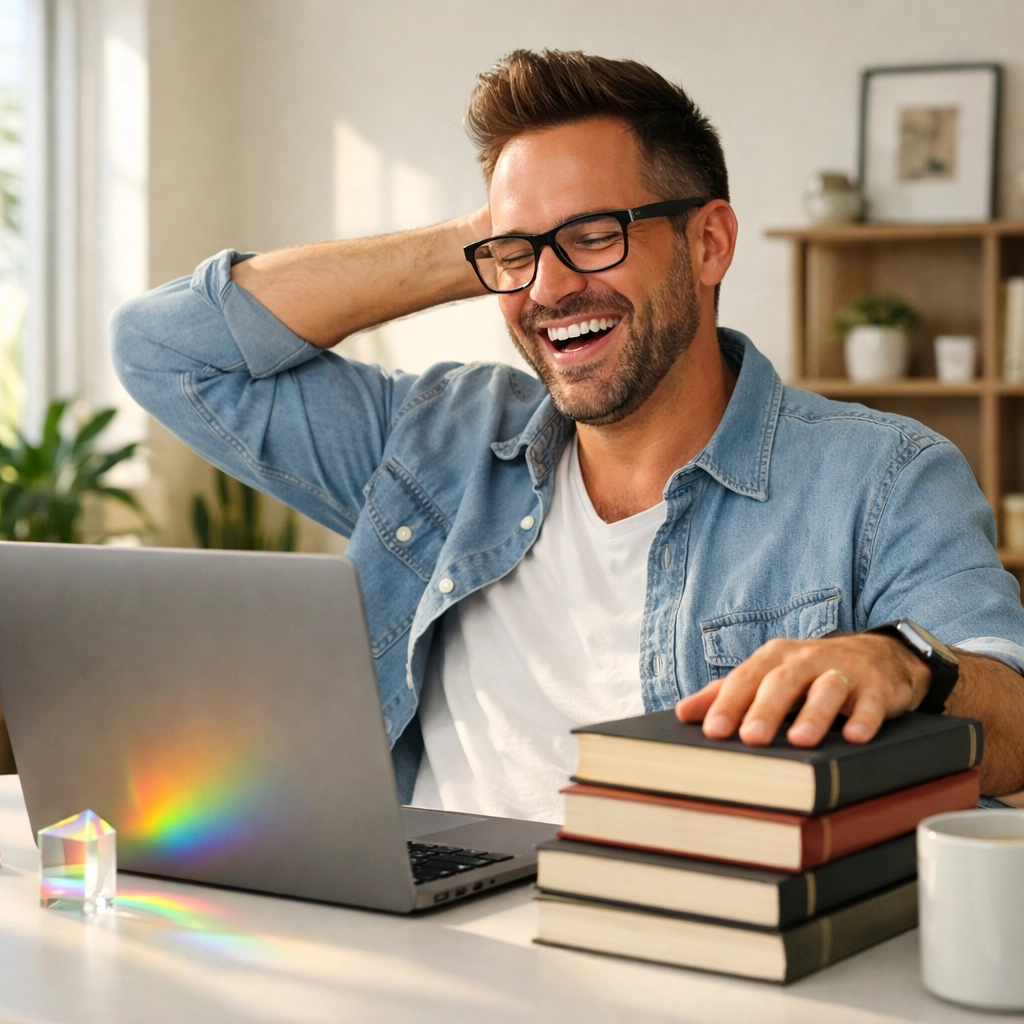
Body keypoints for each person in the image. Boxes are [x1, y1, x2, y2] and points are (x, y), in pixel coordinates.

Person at [112, 49, 1024, 823]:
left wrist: (906, 663)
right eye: (517, 255)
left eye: (594, 235)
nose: (547, 290)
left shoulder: (882, 476)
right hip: (416, 958)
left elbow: (1015, 725)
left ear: (709, 245)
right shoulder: (439, 443)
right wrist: (492, 237)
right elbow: (164, 349)